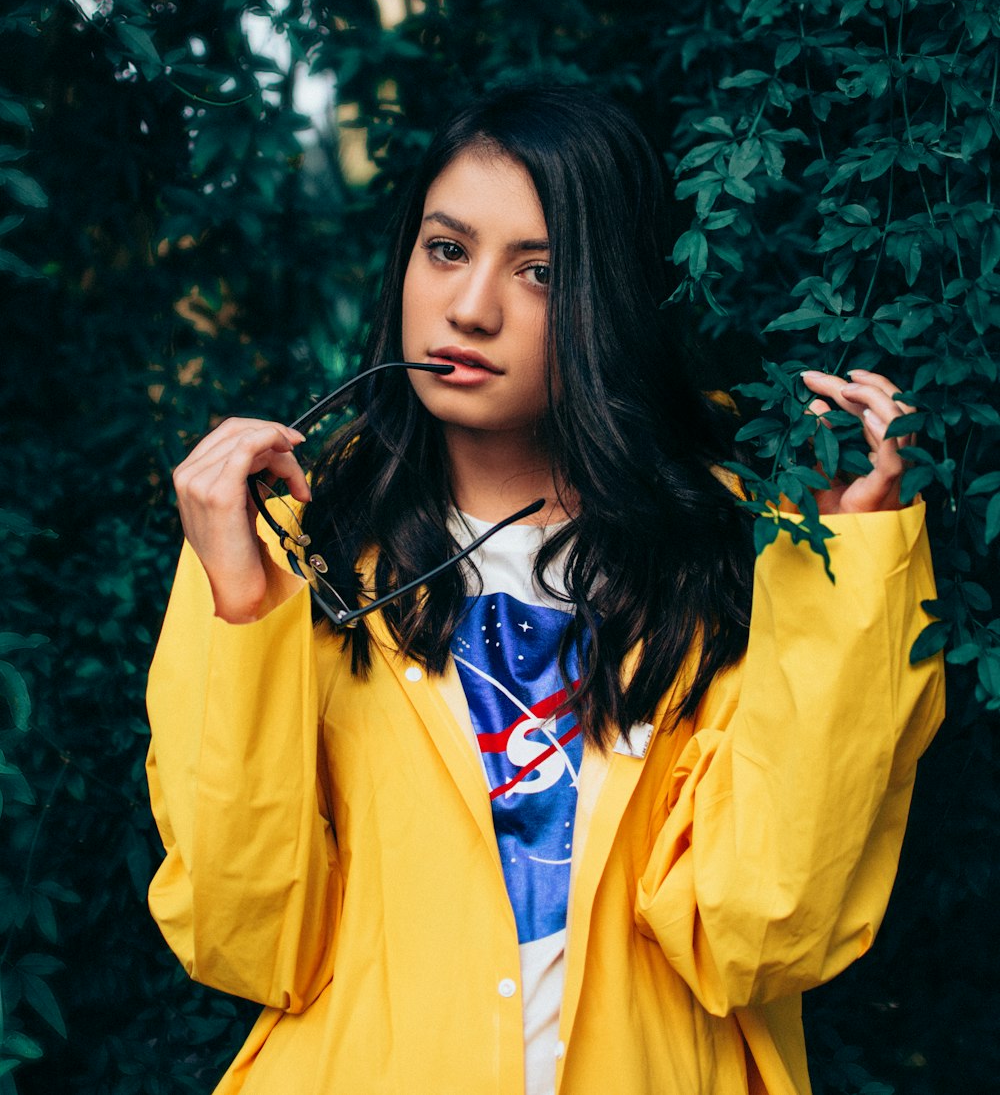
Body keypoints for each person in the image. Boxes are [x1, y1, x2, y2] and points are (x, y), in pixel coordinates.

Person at [146, 83, 945, 1095]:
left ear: (614, 297)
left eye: (540, 271)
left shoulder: (733, 546)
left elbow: (760, 929)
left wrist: (846, 567)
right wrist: (242, 611)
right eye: (446, 249)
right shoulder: (288, 543)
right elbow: (244, 936)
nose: (471, 308)